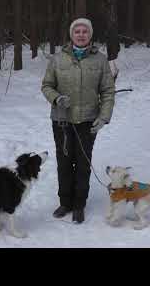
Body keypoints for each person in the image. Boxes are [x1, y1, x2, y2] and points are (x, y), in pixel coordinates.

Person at [41, 17, 115, 223]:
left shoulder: (100, 60)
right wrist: (56, 98)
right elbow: (46, 85)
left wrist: (104, 117)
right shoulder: (58, 59)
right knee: (64, 163)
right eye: (77, 31)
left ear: (90, 35)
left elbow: (108, 91)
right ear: (71, 35)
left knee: (83, 164)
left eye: (85, 31)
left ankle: (79, 204)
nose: (81, 34)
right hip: (62, 121)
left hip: (88, 122)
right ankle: (65, 202)